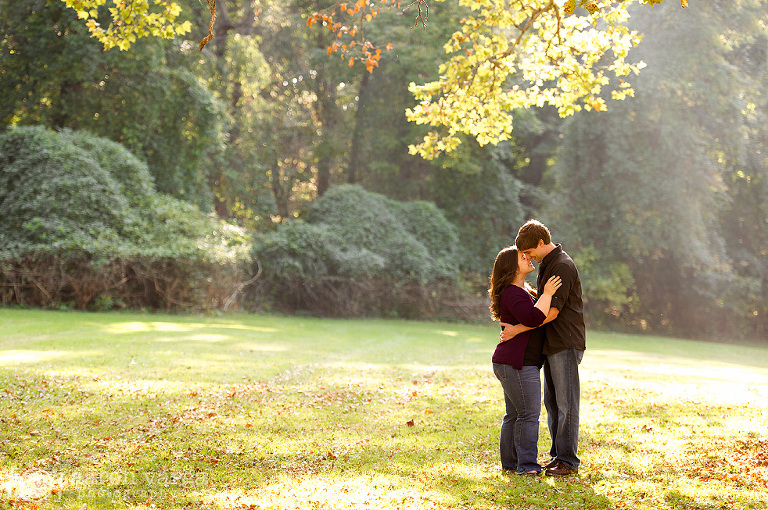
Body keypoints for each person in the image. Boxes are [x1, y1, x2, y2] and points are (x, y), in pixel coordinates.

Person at [500, 220, 586, 476]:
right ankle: (558, 456)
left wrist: (517, 329)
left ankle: (568, 462)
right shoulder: (548, 264)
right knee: (552, 403)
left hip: (565, 341)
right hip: (551, 344)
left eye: (528, 251)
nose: (527, 257)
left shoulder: (561, 266)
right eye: (523, 255)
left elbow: (551, 313)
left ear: (540, 242)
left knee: (566, 403)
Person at [488, 245, 562, 475]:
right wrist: (548, 294)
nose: (529, 258)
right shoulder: (512, 292)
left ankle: (512, 464)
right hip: (516, 364)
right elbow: (533, 318)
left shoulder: (523, 291)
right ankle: (527, 466)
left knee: (515, 414)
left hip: (513, 362)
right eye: (523, 257)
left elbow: (531, 320)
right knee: (528, 414)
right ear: (512, 266)